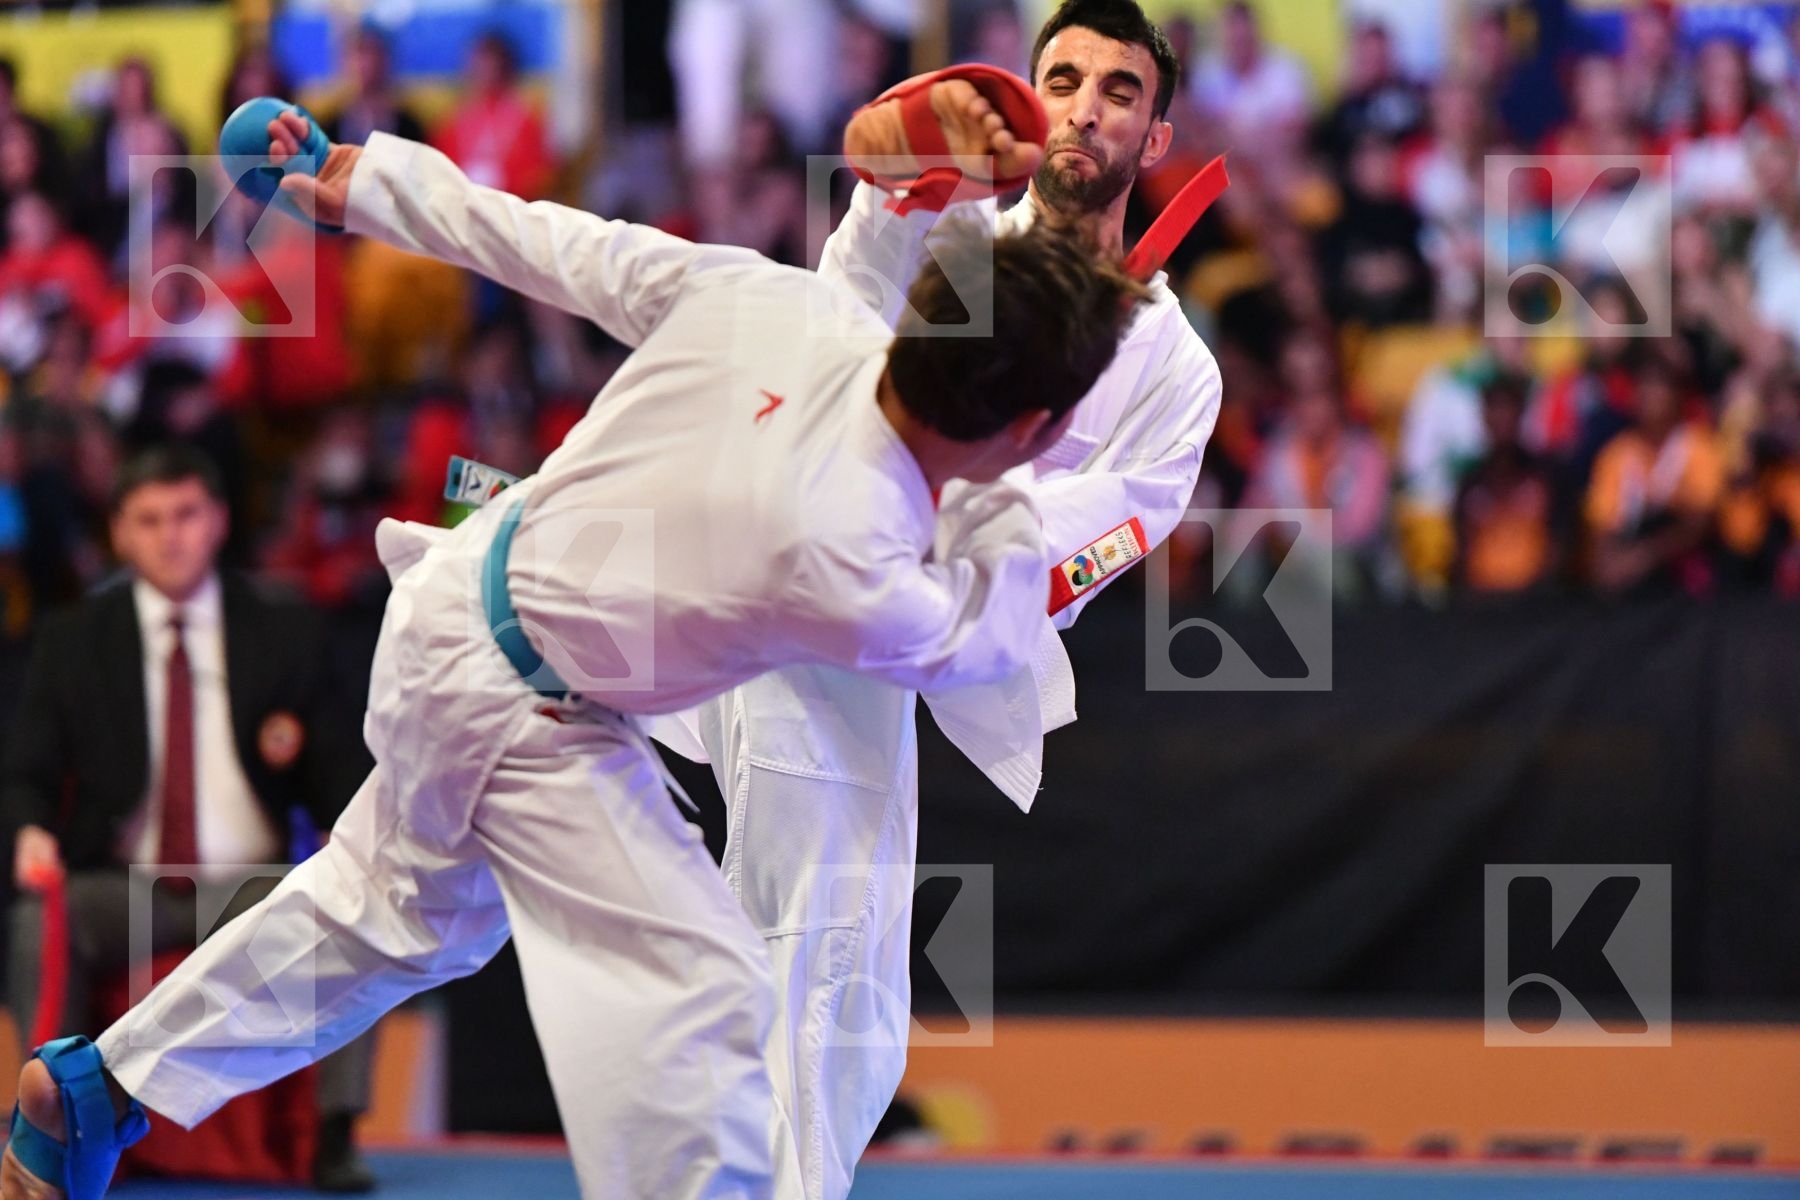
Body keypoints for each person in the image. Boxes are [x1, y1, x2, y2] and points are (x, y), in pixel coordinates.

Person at [3, 101, 1142, 1200]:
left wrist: (377, 186)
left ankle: (103, 1089)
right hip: (521, 709)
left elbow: (558, 244)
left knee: (389, 915)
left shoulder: (774, 302)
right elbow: (988, 630)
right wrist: (1021, 478)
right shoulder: (853, 561)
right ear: (1031, 429)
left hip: (458, 609)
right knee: (701, 995)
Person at [654, 3, 1222, 1195]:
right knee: (813, 942)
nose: (1083, 105)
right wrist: (900, 165)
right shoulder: (955, 231)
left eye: (1119, 92)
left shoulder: (1175, 368)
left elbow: (1098, 544)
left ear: (1155, 136)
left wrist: (959, 530)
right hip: (805, 593)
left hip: (925, 636)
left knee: (854, 990)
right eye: (1062, 77)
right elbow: (834, 336)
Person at [1, 446, 377, 1192]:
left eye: (186, 515)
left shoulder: (285, 631)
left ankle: (334, 1129)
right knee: (38, 916)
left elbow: (337, 762)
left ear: (218, 523)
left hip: (253, 887)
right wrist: (30, 830)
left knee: (349, 904)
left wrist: (346, 827)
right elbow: (26, 772)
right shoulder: (75, 640)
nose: (170, 536)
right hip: (121, 887)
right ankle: (57, 1125)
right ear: (120, 535)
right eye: (149, 520)